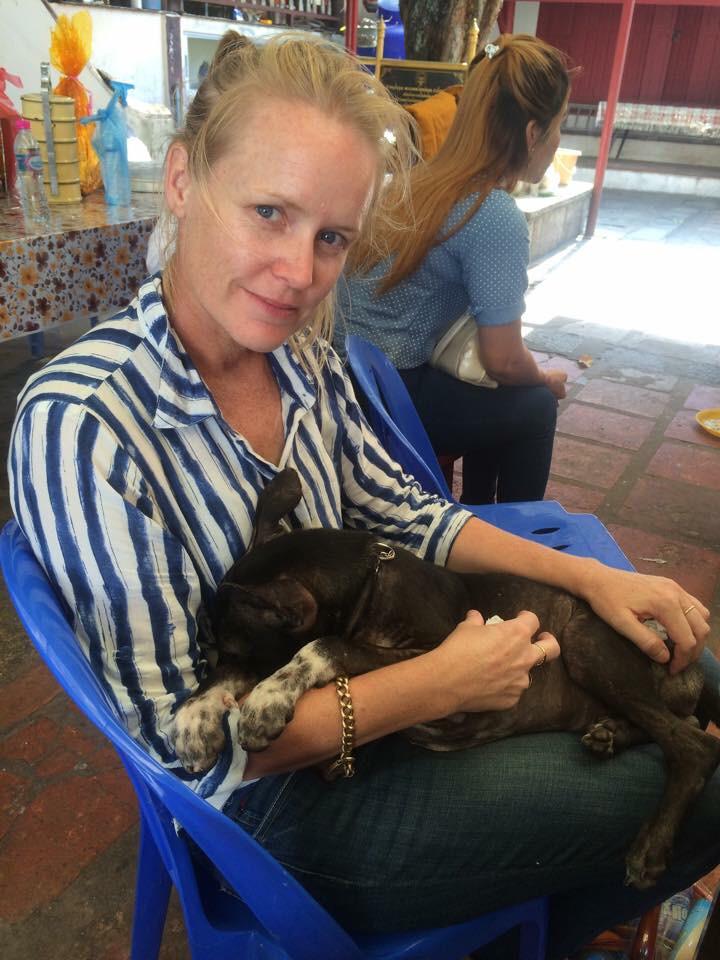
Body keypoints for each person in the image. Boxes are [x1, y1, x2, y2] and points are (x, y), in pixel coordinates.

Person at [8, 31, 720, 960]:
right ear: (182, 180)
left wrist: (590, 580)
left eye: (331, 237)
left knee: (695, 666)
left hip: (375, 703)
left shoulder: (297, 357)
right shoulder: (85, 424)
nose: (300, 273)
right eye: (268, 212)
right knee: (702, 784)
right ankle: (541, 918)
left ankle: (537, 910)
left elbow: (410, 514)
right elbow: (192, 753)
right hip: (277, 813)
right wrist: (437, 683)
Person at [336, 34, 575, 505]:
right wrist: (543, 379)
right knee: (535, 407)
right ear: (532, 134)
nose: (558, 140)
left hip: (343, 376)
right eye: (560, 125)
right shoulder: (491, 213)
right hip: (385, 397)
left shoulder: (416, 182)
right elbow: (503, 360)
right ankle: (515, 539)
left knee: (501, 398)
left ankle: (478, 518)